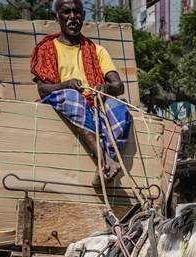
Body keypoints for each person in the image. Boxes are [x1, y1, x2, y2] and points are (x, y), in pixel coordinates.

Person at [30, 0, 131, 186]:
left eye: (77, 12)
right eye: (66, 12)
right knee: (73, 97)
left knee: (120, 108)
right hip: (64, 102)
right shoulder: (46, 49)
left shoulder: (97, 51)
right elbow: (43, 89)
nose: (72, 17)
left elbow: (119, 86)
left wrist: (106, 88)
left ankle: (104, 168)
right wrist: (65, 84)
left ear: (83, 16)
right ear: (56, 17)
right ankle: (105, 161)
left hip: (94, 105)